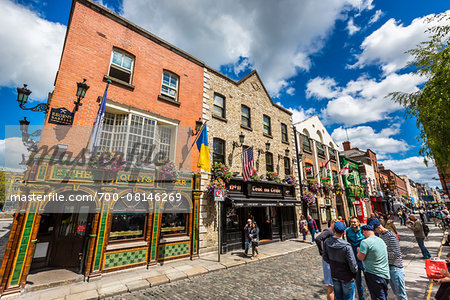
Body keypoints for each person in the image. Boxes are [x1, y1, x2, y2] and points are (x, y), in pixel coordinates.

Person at [370, 219, 407, 300]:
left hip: (395, 268)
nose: (375, 232)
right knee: (396, 293)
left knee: (401, 294)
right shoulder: (382, 235)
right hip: (389, 268)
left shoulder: (391, 236)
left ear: (379, 227)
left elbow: (396, 253)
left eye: (375, 230)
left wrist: (381, 254)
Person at [323, 222, 358, 300]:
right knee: (348, 297)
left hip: (335, 274)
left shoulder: (327, 242)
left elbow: (325, 257)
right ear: (344, 231)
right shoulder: (346, 246)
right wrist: (355, 271)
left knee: (338, 297)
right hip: (347, 276)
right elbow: (353, 265)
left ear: (334, 230)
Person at [357, 225, 390, 300]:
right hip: (385, 273)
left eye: (362, 233)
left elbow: (360, 257)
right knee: (384, 296)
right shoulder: (380, 240)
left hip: (373, 274)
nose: (363, 235)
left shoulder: (365, 242)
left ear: (365, 231)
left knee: (377, 297)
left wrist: (358, 251)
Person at [316, 219, 338, 300]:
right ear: (331, 223)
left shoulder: (333, 231)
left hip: (332, 258)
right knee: (331, 285)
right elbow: (318, 238)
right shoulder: (328, 231)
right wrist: (322, 251)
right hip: (328, 259)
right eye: (335, 224)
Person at [345, 216, 366, 300]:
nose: (353, 224)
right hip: (354, 259)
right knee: (358, 282)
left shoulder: (363, 231)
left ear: (358, 223)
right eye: (352, 222)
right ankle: (362, 298)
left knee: (369, 279)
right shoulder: (348, 231)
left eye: (355, 222)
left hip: (363, 259)